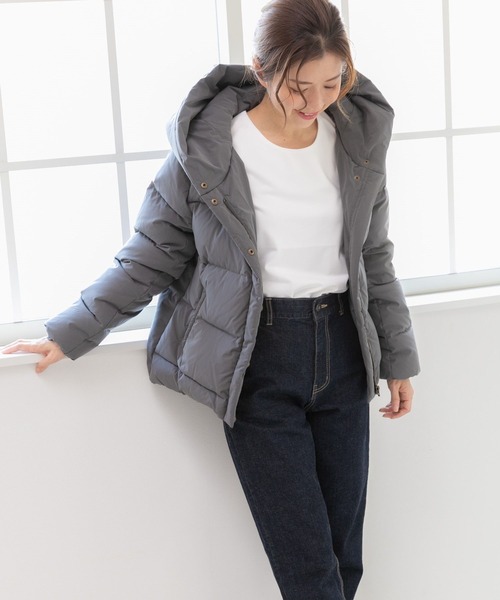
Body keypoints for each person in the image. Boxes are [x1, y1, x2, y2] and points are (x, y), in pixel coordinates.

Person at [3, 0, 420, 598]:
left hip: (347, 352)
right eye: (298, 87)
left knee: (343, 559)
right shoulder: (211, 149)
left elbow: (373, 256)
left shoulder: (354, 140)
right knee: (309, 570)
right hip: (258, 357)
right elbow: (152, 252)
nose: (315, 103)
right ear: (261, 69)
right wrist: (71, 331)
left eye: (332, 84)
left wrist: (398, 359)